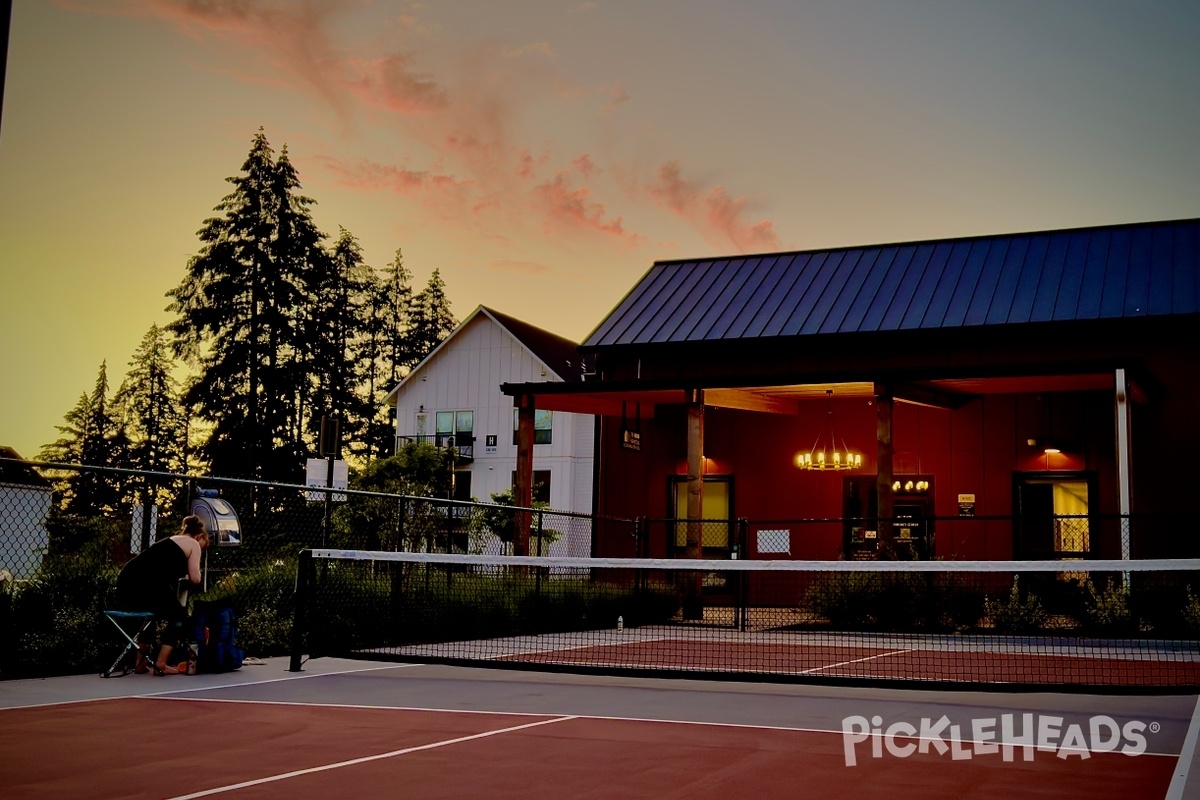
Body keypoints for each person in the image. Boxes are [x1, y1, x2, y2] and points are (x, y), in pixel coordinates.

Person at [115, 515, 210, 674]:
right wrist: (196, 571)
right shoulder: (193, 543)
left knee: (150, 616)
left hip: (127, 583)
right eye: (204, 546)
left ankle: (140, 664)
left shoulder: (171, 540)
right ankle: (161, 663)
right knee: (178, 616)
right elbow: (195, 578)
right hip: (148, 585)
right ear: (200, 536)